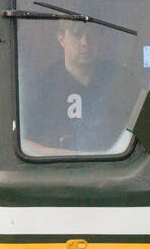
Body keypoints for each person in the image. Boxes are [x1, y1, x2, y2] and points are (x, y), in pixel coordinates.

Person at [20, 18, 139, 156]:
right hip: (57, 172)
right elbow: (23, 144)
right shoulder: (38, 85)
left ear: (100, 38)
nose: (85, 43)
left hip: (117, 170)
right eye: (77, 35)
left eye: (92, 35)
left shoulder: (122, 79)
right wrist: (73, 156)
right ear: (61, 39)